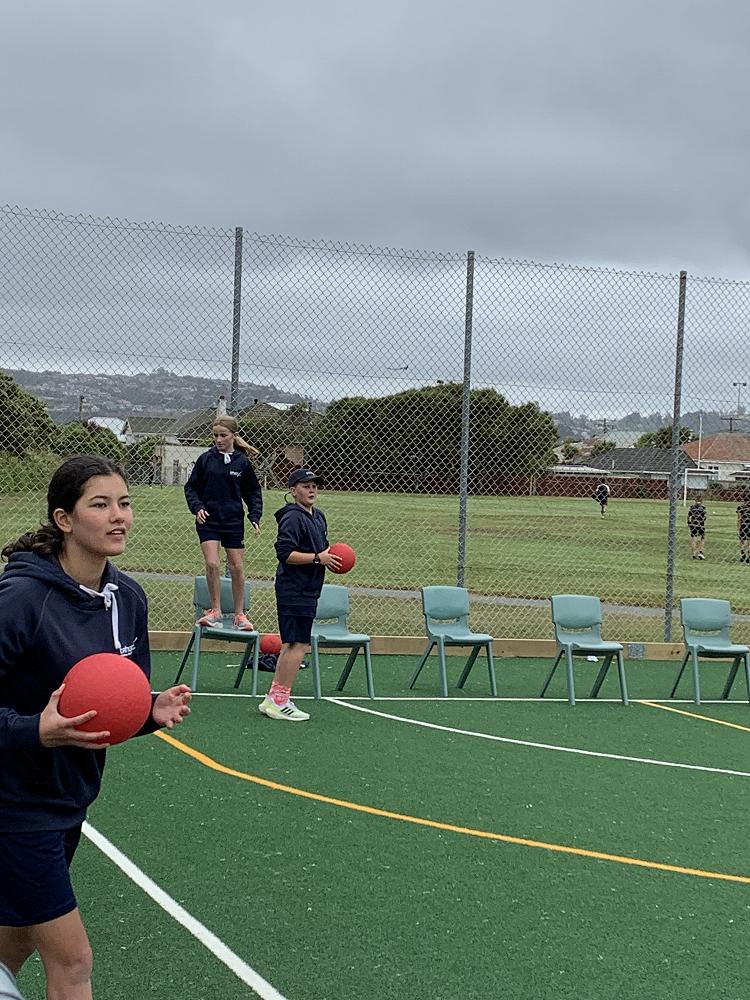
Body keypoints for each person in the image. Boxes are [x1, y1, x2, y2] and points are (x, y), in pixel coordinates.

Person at [0, 454, 192, 1000]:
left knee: (14, 942)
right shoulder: (21, 599)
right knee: (73, 959)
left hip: (69, 796)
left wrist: (148, 713)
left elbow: (109, 708)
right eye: (100, 504)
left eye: (124, 503)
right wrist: (34, 730)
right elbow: (40, 723)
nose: (118, 516)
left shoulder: (128, 599)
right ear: (64, 519)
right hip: (14, 803)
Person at [259, 468, 341, 721]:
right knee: (297, 645)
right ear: (293, 491)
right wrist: (318, 558)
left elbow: (323, 550)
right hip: (294, 588)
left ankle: (274, 697)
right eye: (306, 486)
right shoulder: (293, 517)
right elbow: (285, 553)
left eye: (314, 485)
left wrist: (331, 557)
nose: (312, 490)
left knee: (292, 644)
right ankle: (280, 700)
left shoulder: (319, 516)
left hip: (309, 588)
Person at [184, 416, 262, 630]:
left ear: (234, 436)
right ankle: (215, 610)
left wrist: (255, 515)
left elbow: (253, 491)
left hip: (233, 521)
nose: (218, 439)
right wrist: (197, 507)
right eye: (215, 435)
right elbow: (191, 488)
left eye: (223, 435)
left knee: (236, 566)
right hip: (208, 520)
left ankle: (239, 615)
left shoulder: (242, 462)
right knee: (212, 563)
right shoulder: (205, 460)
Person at [737, 496, 750, 562]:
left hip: (743, 525)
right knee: (749, 540)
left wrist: (738, 528)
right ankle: (749, 554)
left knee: (742, 540)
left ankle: (742, 553)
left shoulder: (741, 507)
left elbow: (739, 518)